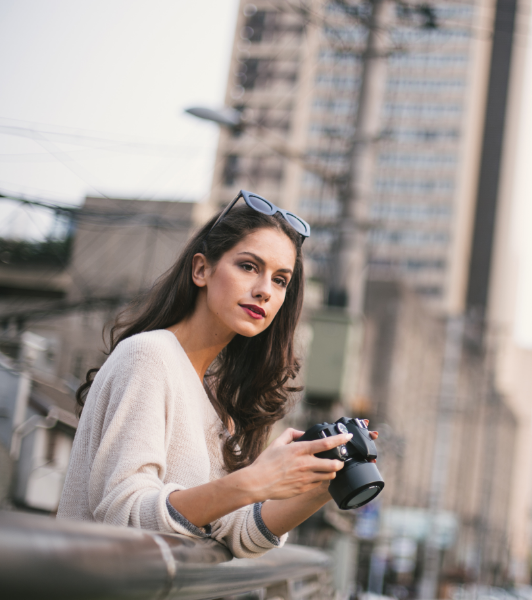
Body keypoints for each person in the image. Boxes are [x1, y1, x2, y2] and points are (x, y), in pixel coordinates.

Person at [57, 190, 373, 558]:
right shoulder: (149, 355)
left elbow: (237, 533)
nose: (264, 291)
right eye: (249, 266)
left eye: (280, 280)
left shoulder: (215, 400)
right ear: (201, 269)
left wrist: (325, 478)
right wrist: (252, 482)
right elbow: (122, 516)